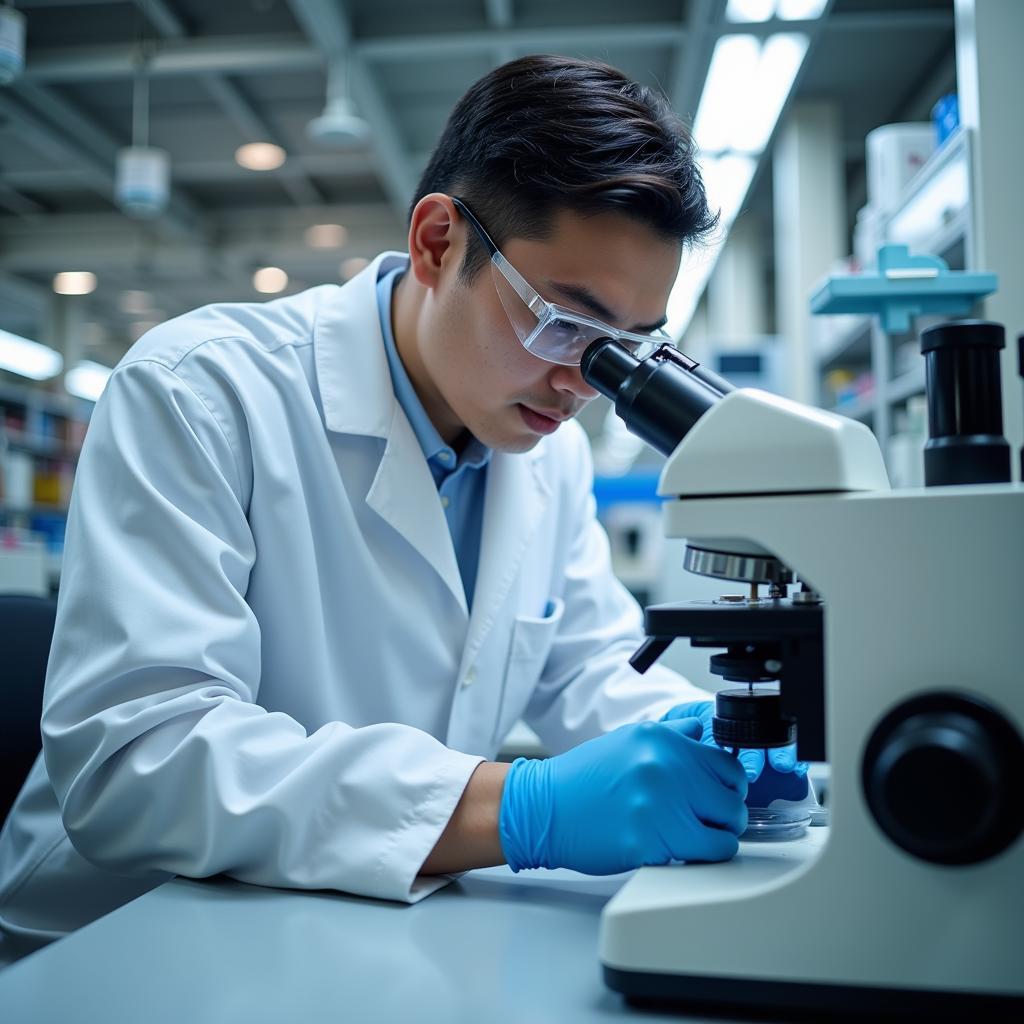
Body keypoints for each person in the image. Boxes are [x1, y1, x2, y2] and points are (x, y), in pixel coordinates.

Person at [0, 54, 806, 966]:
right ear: (436, 243)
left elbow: (588, 668)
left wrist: (704, 740)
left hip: (354, 929)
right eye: (564, 324)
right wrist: (521, 809)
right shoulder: (202, 390)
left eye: (627, 348)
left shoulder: (549, 453)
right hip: (116, 941)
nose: (584, 382)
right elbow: (139, 763)